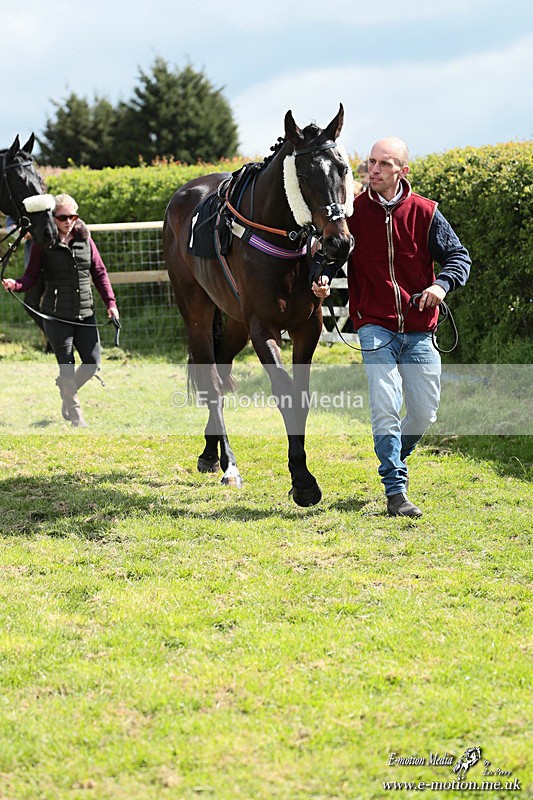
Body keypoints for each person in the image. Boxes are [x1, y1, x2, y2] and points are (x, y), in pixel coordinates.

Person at [312, 137, 471, 517]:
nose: (375, 170)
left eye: (384, 164)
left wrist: (440, 284)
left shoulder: (426, 212)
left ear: (403, 170)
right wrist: (320, 278)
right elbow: (333, 256)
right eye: (371, 163)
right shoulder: (353, 215)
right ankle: (395, 490)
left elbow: (458, 257)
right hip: (374, 325)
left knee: (424, 413)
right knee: (386, 405)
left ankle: (393, 454)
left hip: (419, 329)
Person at [2, 193, 119, 427]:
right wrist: (16, 284)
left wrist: (111, 304)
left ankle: (66, 391)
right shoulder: (42, 243)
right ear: (53, 217)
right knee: (66, 365)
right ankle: (76, 415)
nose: (68, 221)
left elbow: (100, 272)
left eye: (72, 216)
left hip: (85, 313)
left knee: (92, 363)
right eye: (63, 217)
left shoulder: (85, 239)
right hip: (55, 315)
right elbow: (31, 276)